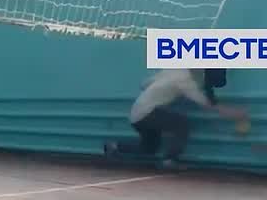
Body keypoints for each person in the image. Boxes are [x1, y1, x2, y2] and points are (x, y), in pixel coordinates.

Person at [104, 68, 245, 169]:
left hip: (136, 115)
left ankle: (115, 146)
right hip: (148, 112)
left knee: (150, 148)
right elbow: (204, 102)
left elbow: (144, 84)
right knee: (182, 123)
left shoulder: (172, 70)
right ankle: (169, 160)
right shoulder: (184, 79)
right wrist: (231, 112)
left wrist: (162, 91)